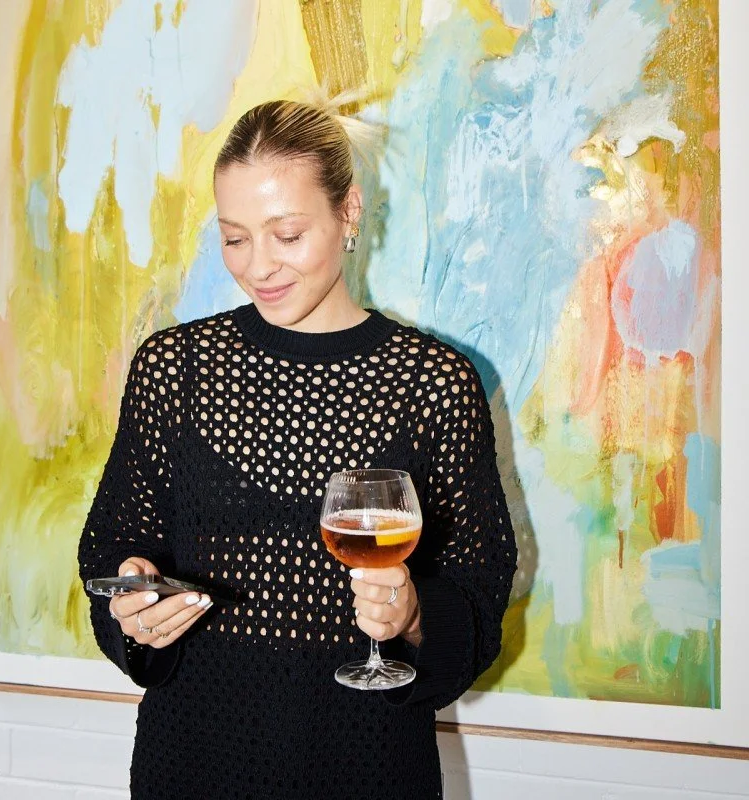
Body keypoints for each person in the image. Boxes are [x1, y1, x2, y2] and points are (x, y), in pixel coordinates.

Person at [78, 98, 517, 800]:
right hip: (191, 763)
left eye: (286, 234)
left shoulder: (433, 383)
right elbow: (113, 547)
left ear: (348, 212)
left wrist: (411, 616)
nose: (259, 267)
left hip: (368, 767)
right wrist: (130, 608)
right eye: (235, 238)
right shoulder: (175, 367)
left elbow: (478, 592)